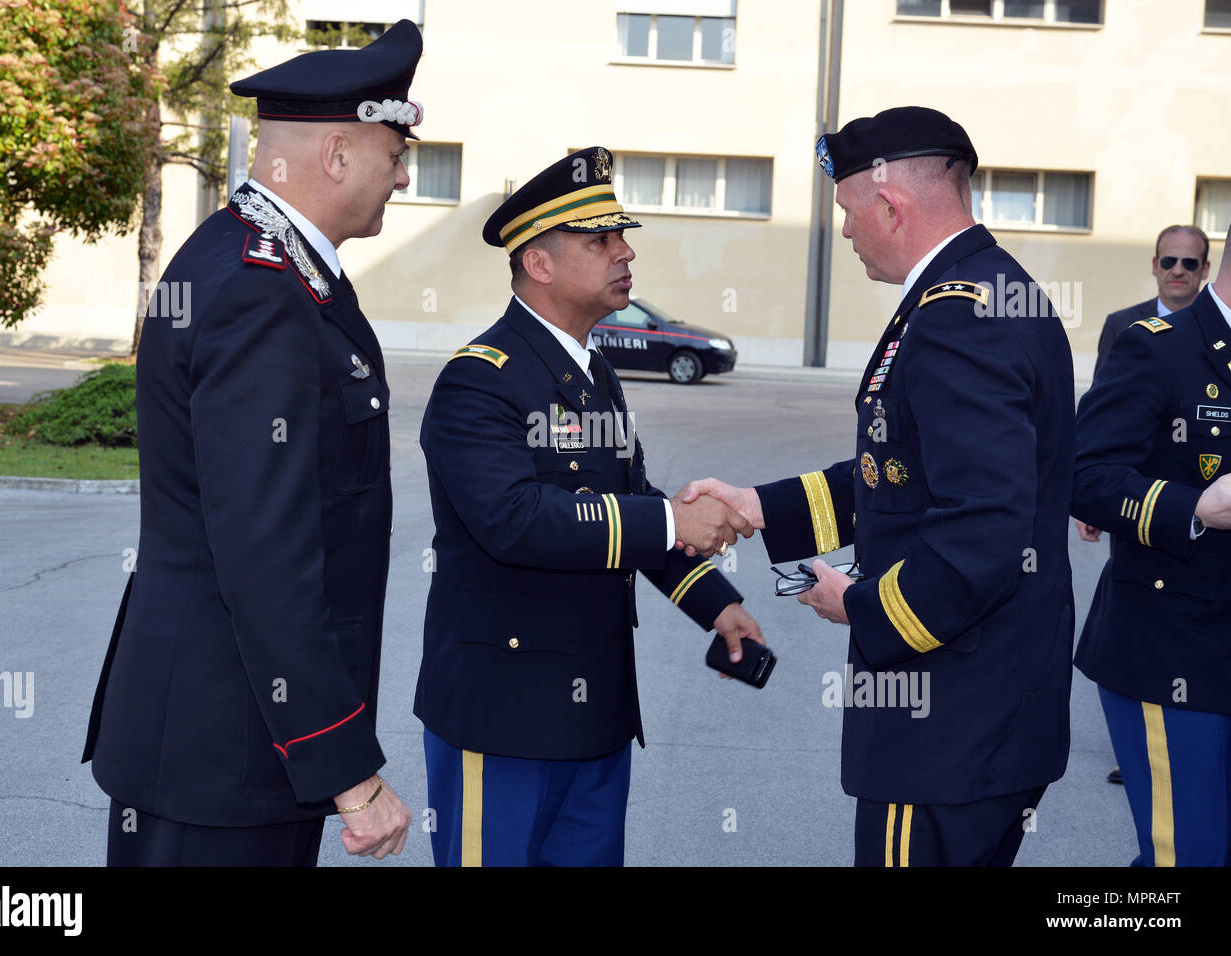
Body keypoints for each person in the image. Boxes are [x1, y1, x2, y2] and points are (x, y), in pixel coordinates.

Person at [683, 107, 1076, 866]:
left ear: (891, 206)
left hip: (948, 725)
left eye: (848, 212)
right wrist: (763, 507)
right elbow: (899, 472)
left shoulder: (962, 318)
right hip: (984, 721)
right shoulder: (978, 293)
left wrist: (861, 607)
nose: (847, 232)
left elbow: (983, 529)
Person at [81, 21, 423, 866]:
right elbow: (264, 560)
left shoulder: (253, 265)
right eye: (394, 153)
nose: (404, 175)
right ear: (338, 155)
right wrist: (347, 769)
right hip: (226, 754)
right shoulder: (258, 293)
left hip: (230, 744)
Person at [413, 147, 764, 867]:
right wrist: (673, 522)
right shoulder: (480, 381)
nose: (625, 252)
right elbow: (514, 519)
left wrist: (715, 603)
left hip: (595, 714)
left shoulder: (593, 370)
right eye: (601, 240)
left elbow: (628, 505)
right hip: (503, 718)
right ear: (539, 265)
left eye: (621, 236)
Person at [1071, 230, 1231, 866]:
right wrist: (1190, 508)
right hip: (1176, 648)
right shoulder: (1156, 348)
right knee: (1186, 859)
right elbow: (1082, 476)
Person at [1092, 225, 1211, 383]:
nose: (1177, 271)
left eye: (1189, 263)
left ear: (1205, 269)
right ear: (1155, 265)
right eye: (1168, 261)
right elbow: (1101, 397)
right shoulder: (1120, 324)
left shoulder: (1221, 324)